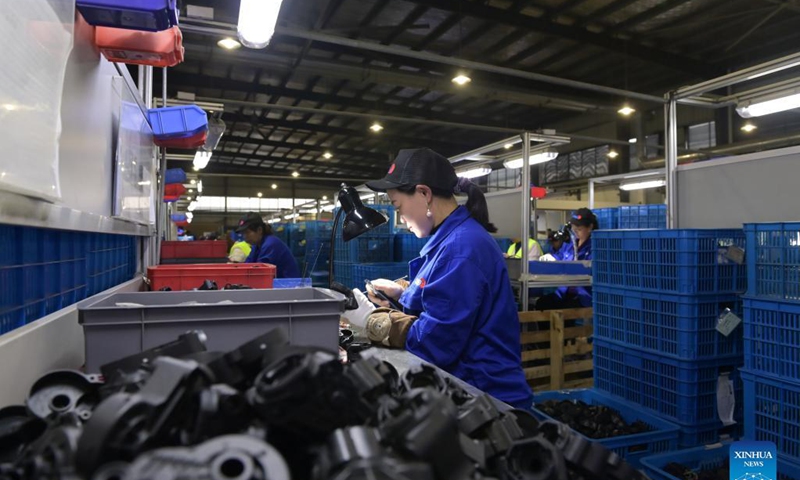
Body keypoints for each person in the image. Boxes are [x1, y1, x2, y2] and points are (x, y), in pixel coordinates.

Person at [342, 148, 533, 410]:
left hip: (487, 401)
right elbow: (442, 299)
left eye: (398, 206)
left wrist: (371, 319)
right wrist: (401, 294)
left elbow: (433, 342)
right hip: (469, 389)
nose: (401, 218)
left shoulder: (461, 250)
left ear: (424, 193)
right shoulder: (451, 240)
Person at [535, 208, 596, 310]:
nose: (576, 232)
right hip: (564, 292)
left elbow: (588, 269)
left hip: (583, 294)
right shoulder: (571, 244)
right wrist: (552, 257)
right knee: (542, 303)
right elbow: (561, 256)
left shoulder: (594, 247)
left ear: (590, 227)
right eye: (574, 229)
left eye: (579, 229)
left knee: (566, 309)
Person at [235, 212, 300, 278]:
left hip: (288, 285)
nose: (245, 236)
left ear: (259, 230)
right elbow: (247, 265)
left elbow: (259, 273)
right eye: (243, 233)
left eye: (247, 232)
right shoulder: (256, 245)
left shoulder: (271, 245)